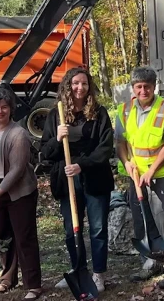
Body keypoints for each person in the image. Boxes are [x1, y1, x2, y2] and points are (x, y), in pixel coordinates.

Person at [41, 68, 115, 292]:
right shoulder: (57, 115)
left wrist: (81, 165)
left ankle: (98, 274)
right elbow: (45, 152)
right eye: (75, 83)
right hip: (67, 181)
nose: (79, 88)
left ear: (89, 86)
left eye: (84, 83)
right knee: (71, 228)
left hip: (95, 179)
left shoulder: (99, 113)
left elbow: (105, 149)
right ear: (67, 86)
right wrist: (57, 138)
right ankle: (78, 269)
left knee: (98, 228)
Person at [115, 66, 164, 287]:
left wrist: (152, 170)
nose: (143, 90)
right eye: (139, 87)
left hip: (160, 175)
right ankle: (151, 262)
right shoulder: (124, 110)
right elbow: (120, 142)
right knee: (142, 221)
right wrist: (127, 163)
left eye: (147, 86)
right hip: (136, 177)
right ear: (133, 88)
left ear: (154, 87)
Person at [0, 88, 42, 299]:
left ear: (11, 109)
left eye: (4, 107)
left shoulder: (18, 134)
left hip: (18, 192)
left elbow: (17, 169)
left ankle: (33, 285)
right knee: (2, 237)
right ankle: (7, 279)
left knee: (24, 237)